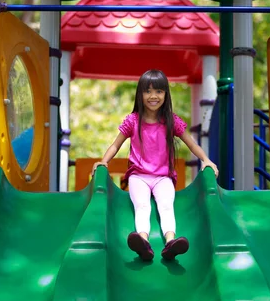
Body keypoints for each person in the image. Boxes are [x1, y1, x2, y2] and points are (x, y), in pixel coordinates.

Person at [92, 69, 218, 261]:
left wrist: (206, 160)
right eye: (148, 91)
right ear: (140, 94)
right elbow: (116, 144)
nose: (153, 96)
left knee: (166, 205)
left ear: (166, 94)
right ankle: (142, 241)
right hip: (138, 176)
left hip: (163, 177)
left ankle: (171, 243)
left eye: (159, 91)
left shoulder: (170, 121)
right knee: (142, 206)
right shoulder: (133, 120)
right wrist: (103, 161)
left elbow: (191, 143)